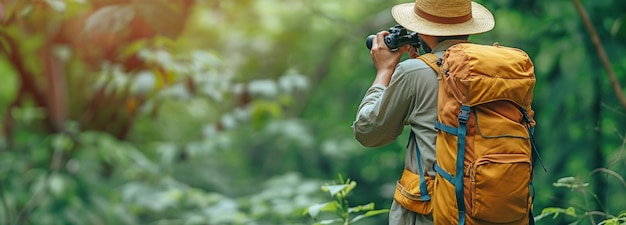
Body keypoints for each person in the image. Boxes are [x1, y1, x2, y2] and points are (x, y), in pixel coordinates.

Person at [351, 0, 495, 224]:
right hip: (494, 208)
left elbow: (368, 132)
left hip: (436, 215)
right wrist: (420, 65)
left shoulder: (413, 73)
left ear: (423, 29)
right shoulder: (498, 70)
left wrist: (384, 71)